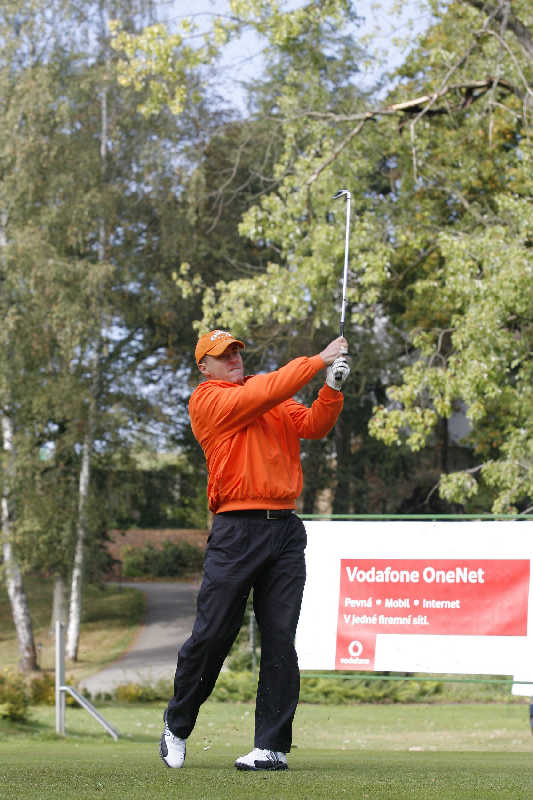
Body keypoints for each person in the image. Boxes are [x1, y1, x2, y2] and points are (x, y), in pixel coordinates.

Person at [160, 329, 350, 771]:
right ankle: (177, 724)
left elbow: (313, 426)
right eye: (222, 355)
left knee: (280, 638)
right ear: (204, 367)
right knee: (213, 635)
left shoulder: (270, 395)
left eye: (236, 352)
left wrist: (331, 389)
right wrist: (319, 359)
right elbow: (265, 391)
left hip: (284, 529)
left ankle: (271, 747)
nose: (233, 359)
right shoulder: (208, 400)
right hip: (236, 531)